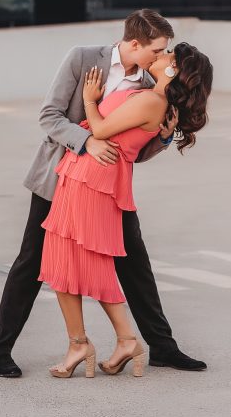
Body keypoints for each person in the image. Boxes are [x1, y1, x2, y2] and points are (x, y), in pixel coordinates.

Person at [0, 9, 208, 377]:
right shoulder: (84, 59)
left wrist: (165, 137)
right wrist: (87, 141)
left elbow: (134, 150)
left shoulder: (150, 85)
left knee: (134, 263)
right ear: (135, 44)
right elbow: (50, 116)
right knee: (32, 262)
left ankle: (163, 347)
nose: (161, 56)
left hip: (109, 188)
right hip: (60, 177)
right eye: (158, 49)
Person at [43, 43, 212, 378]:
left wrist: (90, 100)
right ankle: (106, 341)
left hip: (93, 178)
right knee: (67, 262)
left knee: (74, 262)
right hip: (87, 174)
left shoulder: (152, 100)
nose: (157, 57)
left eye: (165, 56)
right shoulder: (152, 97)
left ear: (174, 69)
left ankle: (111, 341)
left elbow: (103, 131)